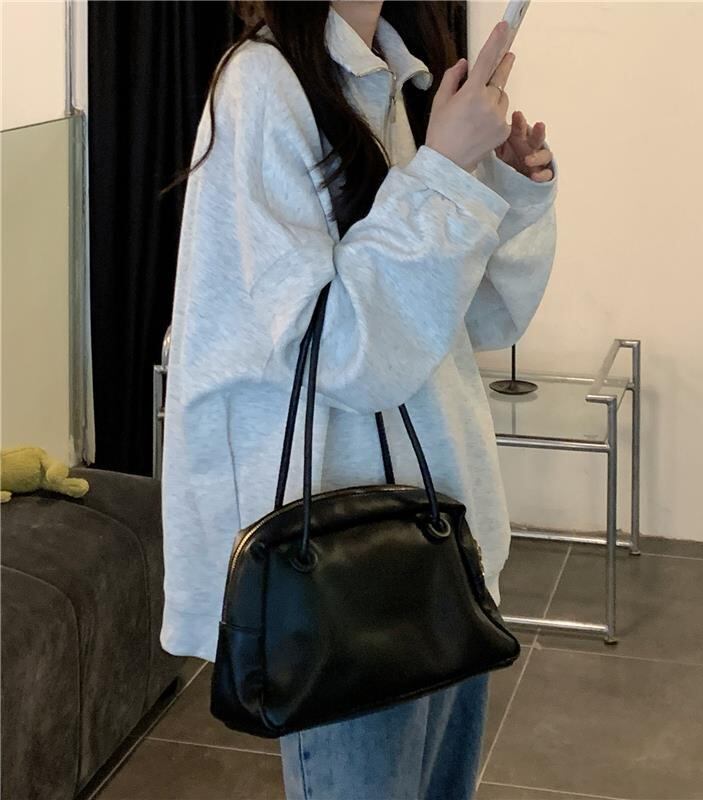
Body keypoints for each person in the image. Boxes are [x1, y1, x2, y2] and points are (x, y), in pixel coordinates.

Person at [159, 1, 558, 798]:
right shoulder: (262, 86)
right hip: (343, 571)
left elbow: (472, 320)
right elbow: (340, 348)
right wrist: (442, 172)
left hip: (437, 539)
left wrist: (505, 187)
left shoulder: (394, 79)